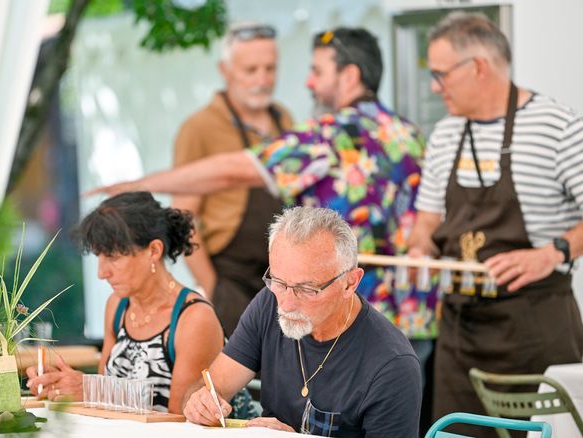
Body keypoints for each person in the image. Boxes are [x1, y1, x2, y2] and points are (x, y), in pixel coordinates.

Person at [86, 27, 434, 350]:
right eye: (251, 69)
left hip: (348, 312)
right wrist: (218, 292)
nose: (309, 83)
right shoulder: (410, 134)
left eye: (317, 72)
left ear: (350, 75)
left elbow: (233, 172)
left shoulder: (325, 133)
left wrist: (142, 183)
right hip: (415, 310)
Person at [406, 11, 583, 435]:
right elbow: (428, 218)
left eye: (440, 74)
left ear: (478, 68)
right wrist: (418, 250)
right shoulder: (445, 134)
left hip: (535, 327)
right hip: (461, 334)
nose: (435, 86)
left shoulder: (558, 127)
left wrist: (551, 253)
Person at [90, 23, 293, 336]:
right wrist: (214, 289)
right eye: (250, 70)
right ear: (225, 70)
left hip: (281, 276)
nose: (262, 79)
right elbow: (185, 218)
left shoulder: (284, 119)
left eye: (270, 69)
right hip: (231, 279)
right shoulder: (200, 128)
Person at [182, 207, 422, 436]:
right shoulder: (269, 302)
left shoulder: (393, 366)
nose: (286, 304)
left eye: (307, 289)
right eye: (278, 282)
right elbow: (212, 389)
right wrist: (200, 403)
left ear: (350, 283)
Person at [25, 191, 224, 414]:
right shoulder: (118, 306)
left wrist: (92, 389)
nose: (102, 273)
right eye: (99, 257)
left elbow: (181, 419)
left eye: (113, 257)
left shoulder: (193, 318)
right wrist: (64, 385)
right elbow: (102, 404)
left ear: (154, 250)